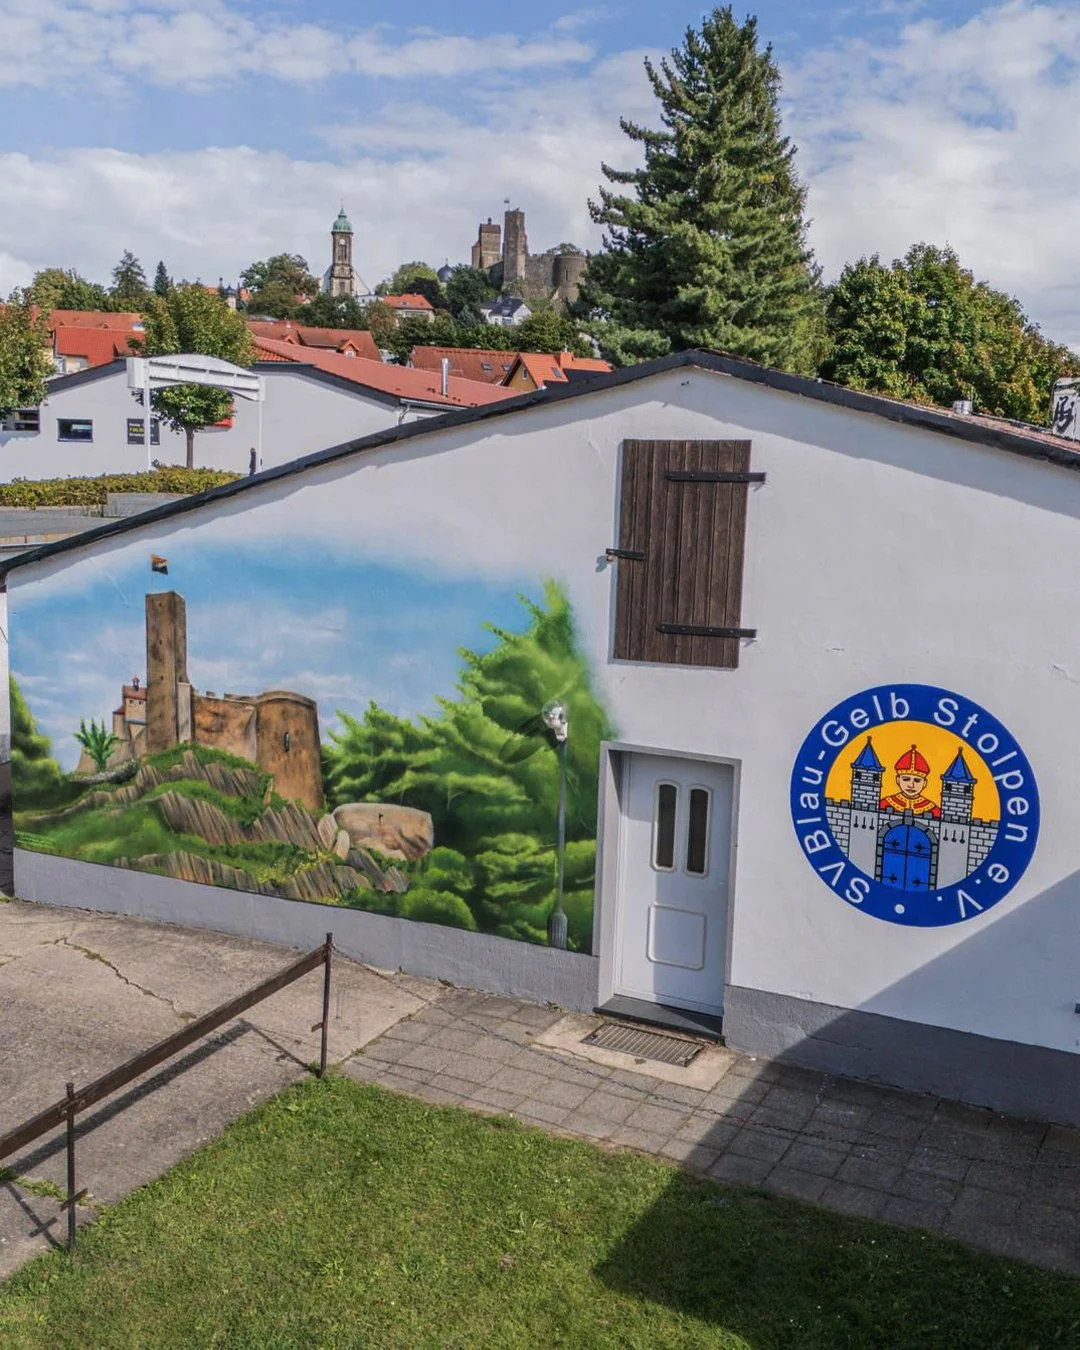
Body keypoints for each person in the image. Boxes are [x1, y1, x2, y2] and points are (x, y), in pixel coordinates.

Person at [880, 745, 939, 817]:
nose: (911, 785)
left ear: (924, 783)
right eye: (906, 779)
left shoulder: (933, 809)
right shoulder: (885, 803)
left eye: (917, 781)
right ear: (898, 780)